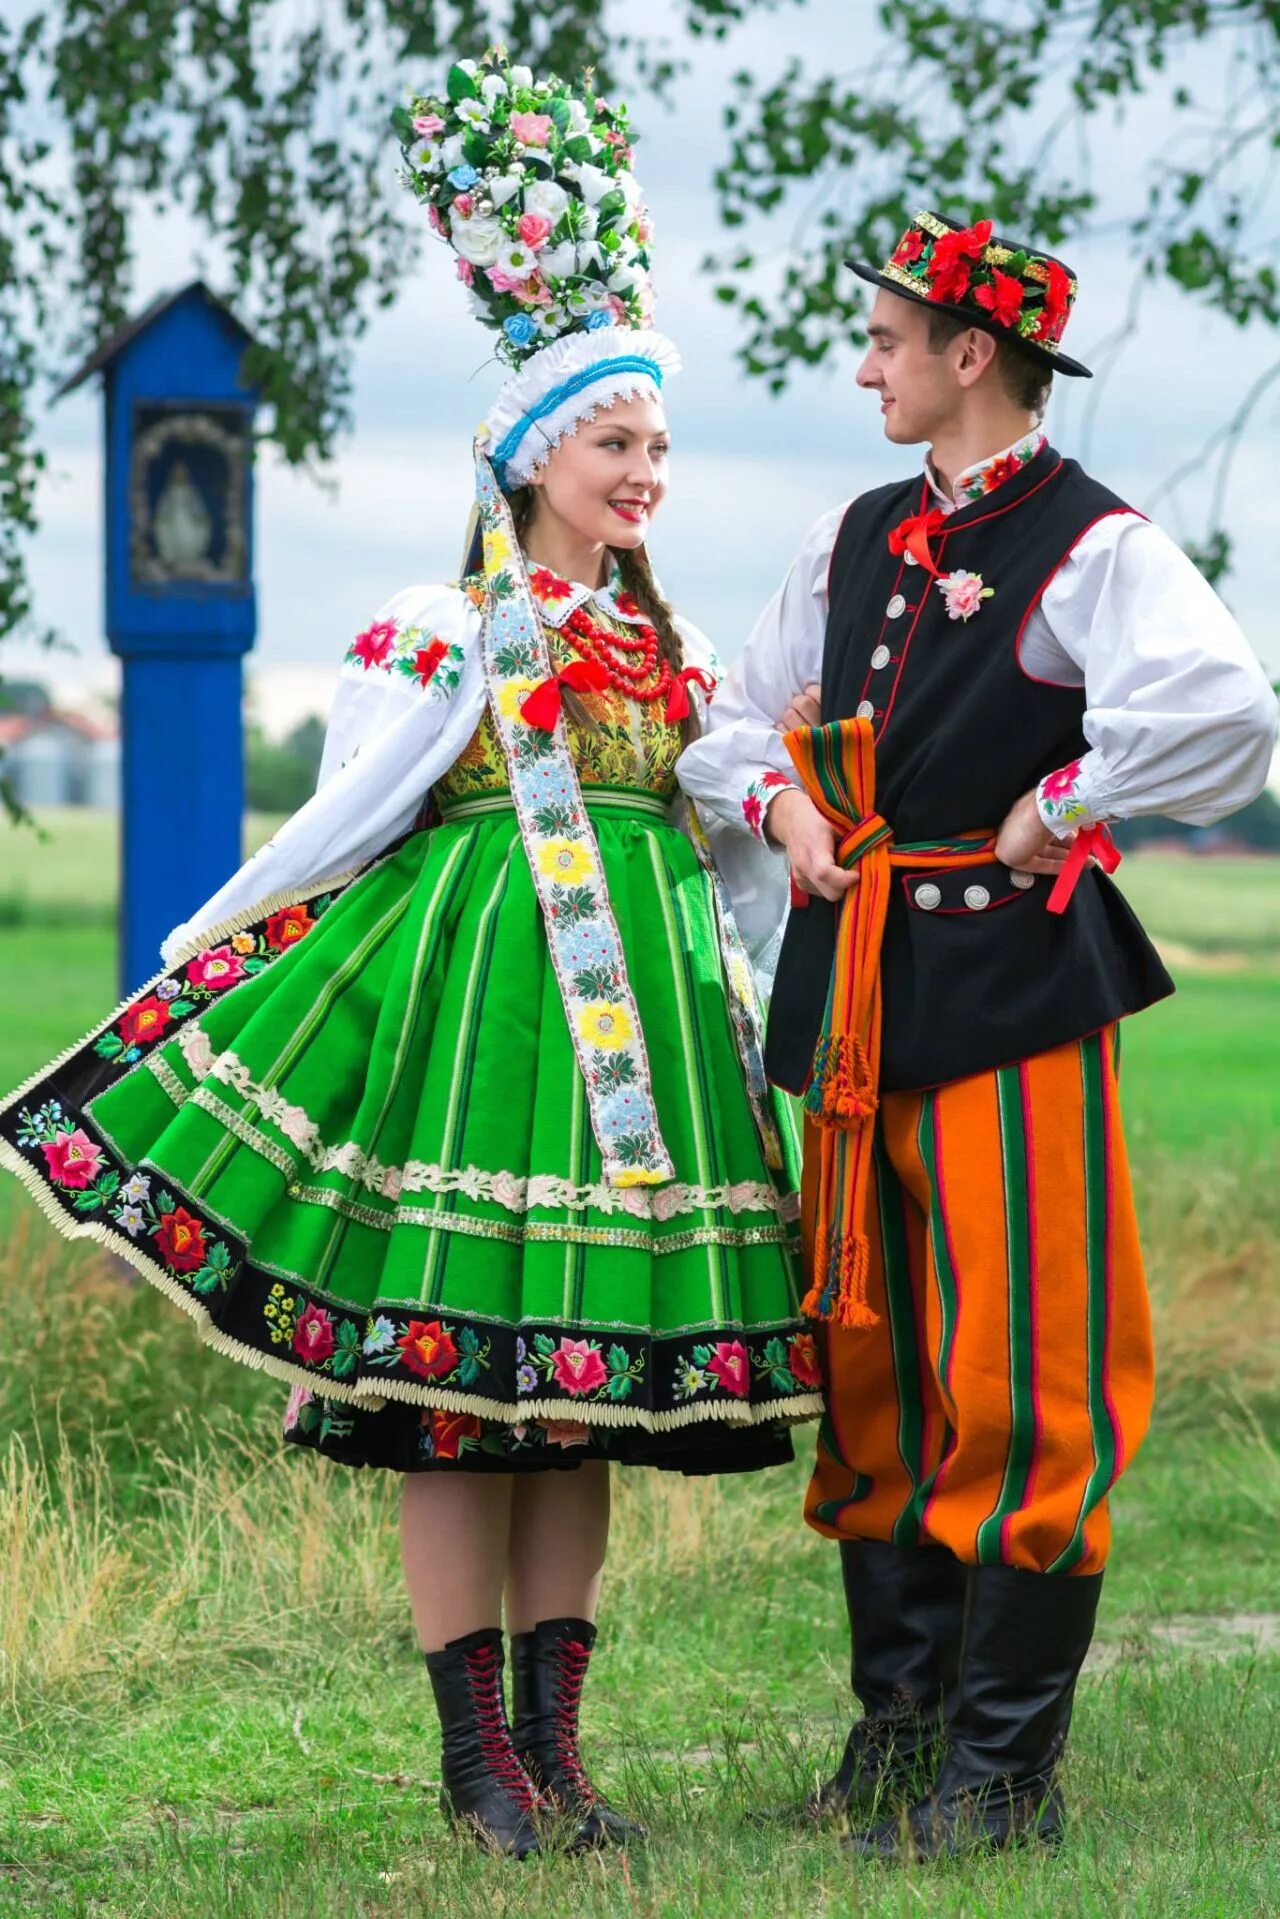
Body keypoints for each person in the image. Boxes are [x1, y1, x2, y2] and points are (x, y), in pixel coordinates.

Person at [0, 51, 821, 1859]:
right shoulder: (437, 630)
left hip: (631, 1067)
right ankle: (474, 1761)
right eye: (617, 444)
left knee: (578, 1397)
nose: (647, 475)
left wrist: (779, 836)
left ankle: (560, 1747)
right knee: (456, 1401)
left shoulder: (666, 657)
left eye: (660, 448)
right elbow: (345, 820)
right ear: (538, 456)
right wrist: (213, 959)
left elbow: (724, 833)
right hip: (474, 1033)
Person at [677, 208, 1278, 1859]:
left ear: (971, 356)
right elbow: (734, 722)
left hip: (1014, 997)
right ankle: (905, 1736)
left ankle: (1006, 1776)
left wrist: (1060, 803)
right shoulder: (854, 530)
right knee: (870, 1351)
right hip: (862, 982)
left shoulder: (1095, 544)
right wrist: (790, 809)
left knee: (1024, 1360)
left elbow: (1226, 711)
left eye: (886, 337)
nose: (865, 362)